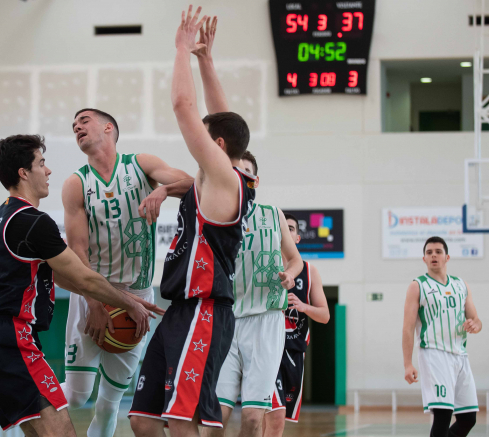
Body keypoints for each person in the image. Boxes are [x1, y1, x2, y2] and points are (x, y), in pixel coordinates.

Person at [0, 134, 162, 437]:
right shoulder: (32, 221)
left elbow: (61, 276)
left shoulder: (2, 215)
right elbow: (83, 277)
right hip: (11, 339)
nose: (48, 171)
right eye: (41, 163)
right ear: (24, 173)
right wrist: (131, 304)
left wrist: (117, 296)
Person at [129, 7, 256, 436]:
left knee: (184, 422)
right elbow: (228, 122)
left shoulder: (222, 178)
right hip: (179, 310)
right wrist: (206, 61)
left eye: (205, 137)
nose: (195, 141)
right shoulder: (231, 172)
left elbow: (184, 106)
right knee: (144, 421)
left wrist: (181, 49)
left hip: (203, 309)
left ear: (216, 147)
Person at [62, 107, 193, 437]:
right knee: (77, 396)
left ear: (109, 128)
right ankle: (25, 403)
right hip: (94, 291)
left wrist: (163, 190)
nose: (77, 127)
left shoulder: (141, 165)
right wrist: (93, 302)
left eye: (84, 121)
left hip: (137, 295)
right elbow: (77, 250)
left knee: (109, 402)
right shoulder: (76, 184)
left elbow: (192, 184)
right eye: (74, 125)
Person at [205, 151, 303, 437]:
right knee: (216, 416)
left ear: (255, 181)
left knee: (251, 418)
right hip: (226, 320)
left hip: (266, 320)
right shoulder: (214, 216)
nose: (238, 176)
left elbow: (295, 259)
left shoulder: (273, 215)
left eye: (245, 172)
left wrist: (290, 275)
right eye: (232, 171)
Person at [402, 236, 481, 437]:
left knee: (468, 418)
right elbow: (407, 327)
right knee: (443, 415)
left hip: (460, 356)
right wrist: (407, 364)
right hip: (434, 354)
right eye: (429, 252)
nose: (433, 255)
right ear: (424, 259)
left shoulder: (461, 285)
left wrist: (475, 325)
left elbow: (475, 320)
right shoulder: (417, 285)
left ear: (447, 257)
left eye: (438, 252)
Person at [263, 214, 329, 436]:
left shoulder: (310, 272)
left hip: (293, 351)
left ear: (298, 238)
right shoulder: (263, 267)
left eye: (290, 228)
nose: (286, 231)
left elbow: (325, 316)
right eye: (282, 228)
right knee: (273, 416)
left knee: (274, 420)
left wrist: (304, 307)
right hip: (265, 349)